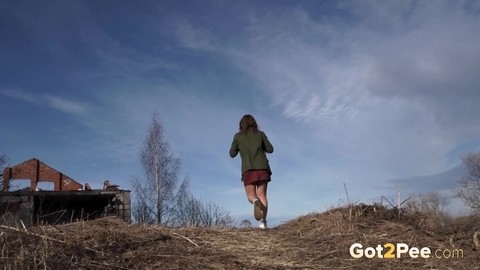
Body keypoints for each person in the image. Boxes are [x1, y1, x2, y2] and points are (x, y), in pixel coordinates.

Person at [229, 114, 274, 229]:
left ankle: (255, 201)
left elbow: (232, 154)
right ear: (254, 123)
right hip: (263, 167)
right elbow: (270, 149)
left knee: (251, 196)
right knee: (262, 195)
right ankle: (263, 223)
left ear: (241, 125)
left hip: (248, 169)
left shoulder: (238, 136)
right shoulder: (261, 134)